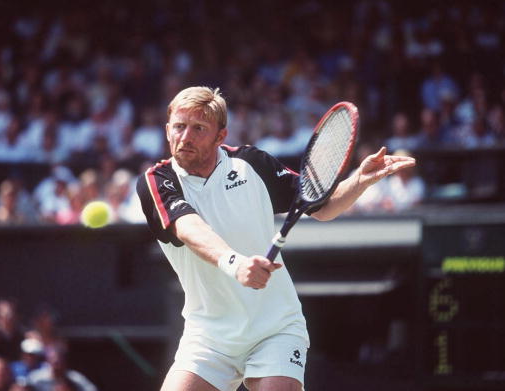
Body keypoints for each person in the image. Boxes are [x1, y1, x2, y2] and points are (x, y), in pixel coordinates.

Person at [136, 86, 415, 391]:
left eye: (199, 128)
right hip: (208, 337)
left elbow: (322, 206)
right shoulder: (156, 181)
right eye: (179, 126)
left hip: (275, 329)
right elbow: (190, 228)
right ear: (167, 130)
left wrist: (359, 180)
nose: (185, 137)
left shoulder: (252, 164)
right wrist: (235, 263)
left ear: (220, 136)